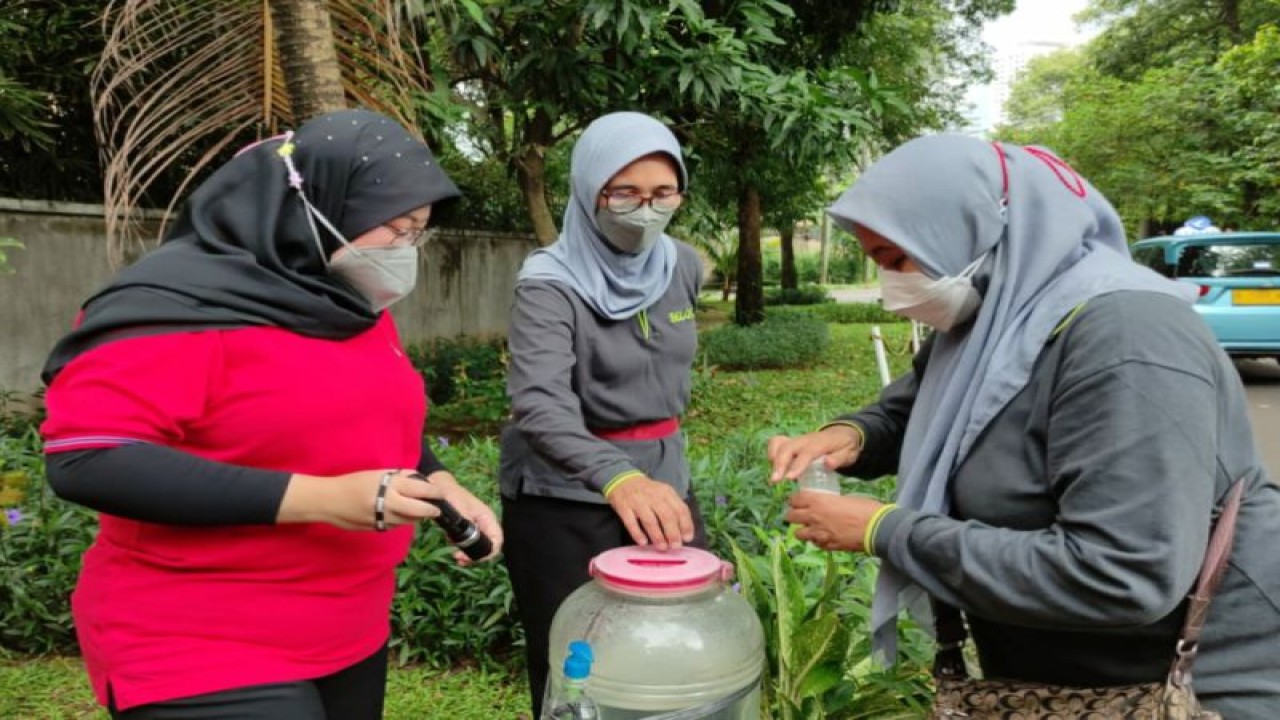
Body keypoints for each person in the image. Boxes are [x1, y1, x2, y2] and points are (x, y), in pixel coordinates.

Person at [767, 134, 1280, 717]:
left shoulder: (1127, 337)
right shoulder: (999, 318)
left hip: (1193, 689)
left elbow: (1122, 572)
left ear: (974, 234)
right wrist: (852, 436)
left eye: (898, 259)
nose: (891, 289)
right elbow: (924, 409)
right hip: (1065, 682)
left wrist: (885, 530)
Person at [40, 108, 503, 720]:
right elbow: (88, 458)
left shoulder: (345, 304)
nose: (406, 249)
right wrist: (324, 499)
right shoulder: (177, 310)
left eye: (418, 231)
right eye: (393, 227)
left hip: (347, 628)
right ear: (315, 209)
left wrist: (438, 479)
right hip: (198, 640)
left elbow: (376, 423)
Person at [498, 111, 706, 717]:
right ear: (592, 191)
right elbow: (539, 401)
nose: (645, 209)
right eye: (625, 193)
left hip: (662, 485)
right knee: (575, 659)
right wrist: (617, 477)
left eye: (662, 193)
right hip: (563, 495)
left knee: (672, 643)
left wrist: (649, 478)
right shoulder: (548, 282)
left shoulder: (682, 265)